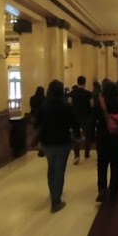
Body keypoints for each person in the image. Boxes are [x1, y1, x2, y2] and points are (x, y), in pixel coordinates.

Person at [36, 79, 80, 213]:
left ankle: (53, 192)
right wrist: (77, 136)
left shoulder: (44, 106)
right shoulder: (66, 106)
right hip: (63, 141)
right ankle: (56, 200)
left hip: (47, 142)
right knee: (60, 169)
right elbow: (74, 123)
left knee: (52, 168)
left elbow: (37, 124)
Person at [94, 80, 118, 203]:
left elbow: (93, 120)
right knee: (116, 164)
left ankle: (102, 189)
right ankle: (114, 191)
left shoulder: (99, 103)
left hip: (102, 138)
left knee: (102, 164)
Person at [68, 75, 95, 164]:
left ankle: (77, 155)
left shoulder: (72, 93)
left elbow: (69, 103)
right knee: (87, 135)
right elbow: (92, 105)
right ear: (84, 83)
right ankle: (87, 153)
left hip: (75, 117)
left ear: (77, 82)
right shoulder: (88, 93)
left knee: (76, 136)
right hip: (86, 117)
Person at [29, 86, 45, 157]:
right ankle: (39, 146)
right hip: (42, 117)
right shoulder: (44, 99)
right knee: (41, 132)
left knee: (37, 130)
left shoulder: (32, 98)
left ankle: (38, 145)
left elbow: (31, 107)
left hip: (33, 116)